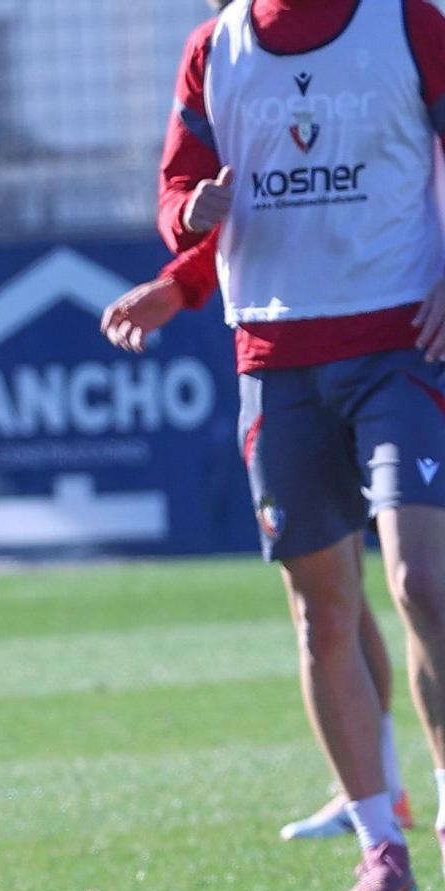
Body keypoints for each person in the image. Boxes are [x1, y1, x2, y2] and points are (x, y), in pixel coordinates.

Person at [147, 0, 445, 891]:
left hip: (402, 346)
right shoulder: (215, 48)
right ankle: (377, 840)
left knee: (420, 583)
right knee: (324, 614)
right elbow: (175, 199)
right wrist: (187, 222)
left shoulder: (409, 24)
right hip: (274, 362)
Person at [101, 230, 415, 844]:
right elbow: (225, 199)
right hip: (287, 346)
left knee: (418, 582)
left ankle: (392, 791)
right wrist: (186, 274)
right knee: (332, 599)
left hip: (395, 338)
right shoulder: (218, 127)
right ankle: (381, 792)